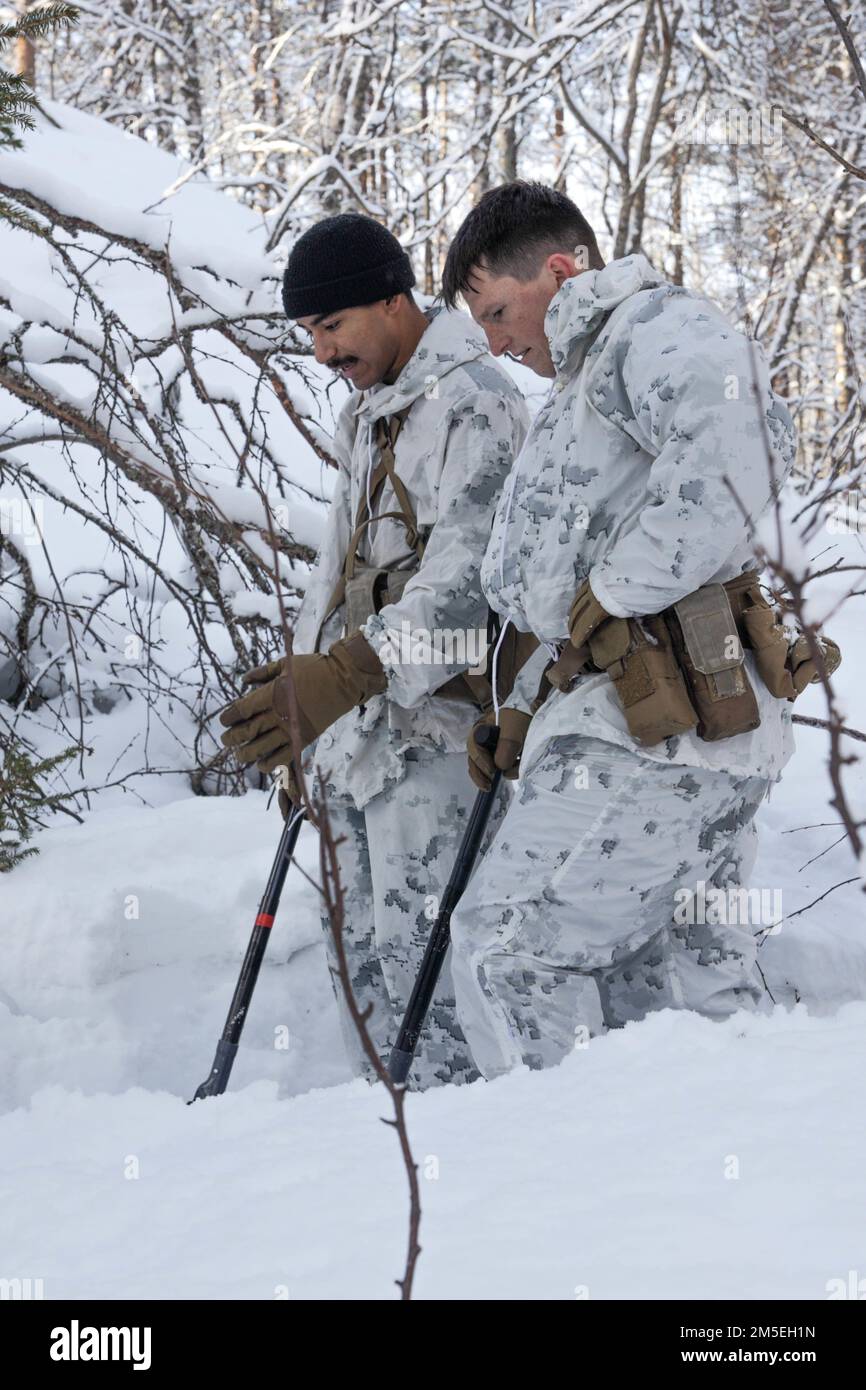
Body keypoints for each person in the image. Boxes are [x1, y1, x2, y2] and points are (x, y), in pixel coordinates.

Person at [440, 181, 837, 1081]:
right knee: (683, 981)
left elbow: (741, 450)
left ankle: (565, 1195)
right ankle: (720, 1188)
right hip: (664, 733)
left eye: (500, 311)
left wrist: (617, 590)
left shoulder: (648, 327)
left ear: (563, 270)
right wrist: (528, 711)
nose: (498, 342)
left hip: (653, 738)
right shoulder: (588, 376)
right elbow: (564, 589)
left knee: (512, 952)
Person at [219, 212, 530, 1088]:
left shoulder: (474, 402)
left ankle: (459, 1160)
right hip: (364, 741)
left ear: (394, 302)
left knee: (432, 977)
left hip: (439, 741)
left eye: (333, 326)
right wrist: (306, 704)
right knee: (363, 972)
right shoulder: (373, 409)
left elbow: (471, 592)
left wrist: (345, 677)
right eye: (309, 334)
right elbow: (341, 571)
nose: (321, 353)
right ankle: (379, 1154)